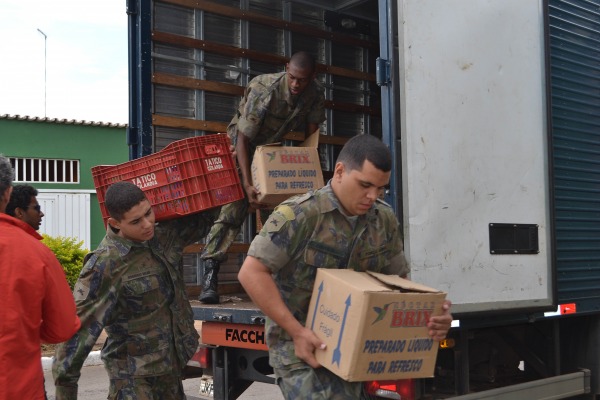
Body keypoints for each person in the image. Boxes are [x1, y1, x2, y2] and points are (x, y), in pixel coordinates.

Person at [238, 135, 453, 399]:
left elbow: (399, 283)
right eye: (365, 185)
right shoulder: (301, 215)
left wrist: (429, 316)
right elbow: (251, 272)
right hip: (299, 348)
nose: (372, 196)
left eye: (381, 188)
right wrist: (297, 332)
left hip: (355, 348)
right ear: (339, 172)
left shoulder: (383, 219)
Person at [52, 181, 219, 400]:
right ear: (115, 223)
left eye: (148, 213)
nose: (147, 224)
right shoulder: (105, 265)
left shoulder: (161, 238)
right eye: (136, 221)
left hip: (170, 372)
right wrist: (65, 391)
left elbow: (206, 218)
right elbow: (76, 334)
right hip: (133, 381)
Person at [200, 50, 326, 304]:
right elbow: (243, 138)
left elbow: (312, 140)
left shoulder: (314, 94)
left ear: (312, 77)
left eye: (302, 79)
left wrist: (306, 173)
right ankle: (210, 277)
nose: (295, 84)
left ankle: (276, 280)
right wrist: (247, 184)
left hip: (271, 152)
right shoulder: (264, 89)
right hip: (241, 149)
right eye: (292, 77)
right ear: (286, 68)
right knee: (231, 213)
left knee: (280, 218)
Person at [0, 155, 81, 400]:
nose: (42, 214)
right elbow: (62, 328)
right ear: (7, 193)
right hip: (18, 389)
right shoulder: (36, 253)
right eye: (37, 208)